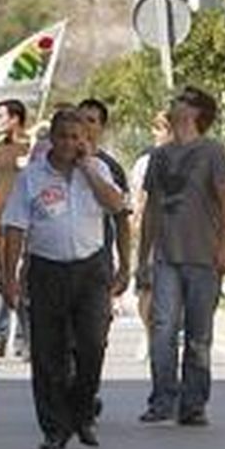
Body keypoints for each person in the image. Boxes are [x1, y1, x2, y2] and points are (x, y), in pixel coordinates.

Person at [0, 109, 125, 449]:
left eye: (76, 137)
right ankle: (55, 426)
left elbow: (116, 205)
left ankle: (82, 413)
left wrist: (87, 168)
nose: (69, 143)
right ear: (52, 139)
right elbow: (15, 227)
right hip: (47, 268)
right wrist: (9, 277)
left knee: (92, 345)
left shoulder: (97, 169)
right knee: (48, 352)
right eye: (63, 136)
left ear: (84, 140)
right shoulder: (32, 176)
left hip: (90, 268)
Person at [137, 87, 225, 426]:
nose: (174, 104)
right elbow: (151, 207)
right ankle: (162, 400)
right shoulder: (159, 156)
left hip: (203, 256)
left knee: (198, 335)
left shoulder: (212, 152)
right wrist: (142, 257)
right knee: (162, 329)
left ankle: (193, 404)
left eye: (181, 101)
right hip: (167, 256)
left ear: (194, 112)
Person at [0, 99, 31, 358]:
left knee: (22, 279)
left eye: (2, 116)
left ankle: (25, 338)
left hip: (22, 222)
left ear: (15, 118)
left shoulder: (31, 146)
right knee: (1, 277)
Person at [77, 98, 133, 299]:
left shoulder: (111, 168)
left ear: (101, 128)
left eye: (91, 121)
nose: (84, 125)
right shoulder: (58, 160)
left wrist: (125, 266)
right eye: (80, 119)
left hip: (98, 258)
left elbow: (121, 218)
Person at [127, 111, 172, 360]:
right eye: (156, 128)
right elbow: (140, 196)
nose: (157, 134)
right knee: (146, 288)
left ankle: (166, 334)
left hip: (179, 235)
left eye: (162, 129)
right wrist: (136, 223)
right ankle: (148, 332)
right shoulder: (146, 161)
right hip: (151, 231)